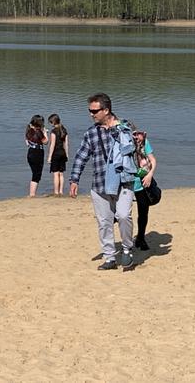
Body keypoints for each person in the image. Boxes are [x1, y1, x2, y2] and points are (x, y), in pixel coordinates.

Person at [69, 93, 137, 270]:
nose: (91, 114)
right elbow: (81, 156)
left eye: (94, 111)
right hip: (99, 184)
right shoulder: (91, 133)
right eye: (89, 111)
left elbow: (137, 147)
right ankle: (109, 257)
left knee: (123, 215)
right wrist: (74, 179)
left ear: (106, 110)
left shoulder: (125, 126)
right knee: (104, 221)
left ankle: (127, 249)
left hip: (124, 181)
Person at [130, 125, 157, 251]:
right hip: (127, 182)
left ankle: (141, 238)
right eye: (134, 134)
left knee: (143, 212)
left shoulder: (145, 143)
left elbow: (153, 160)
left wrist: (150, 175)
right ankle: (128, 239)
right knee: (122, 213)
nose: (136, 137)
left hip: (141, 182)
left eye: (138, 134)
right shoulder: (125, 144)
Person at [25, 115, 48, 197]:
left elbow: (27, 143)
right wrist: (45, 133)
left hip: (30, 152)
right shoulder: (38, 131)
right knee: (37, 174)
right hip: (37, 153)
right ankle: (32, 194)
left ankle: (32, 193)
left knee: (34, 173)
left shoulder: (29, 130)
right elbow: (45, 142)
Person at [47, 114, 69, 196]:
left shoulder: (54, 132)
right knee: (61, 174)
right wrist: (67, 154)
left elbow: (52, 145)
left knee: (56, 174)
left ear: (53, 122)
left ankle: (56, 192)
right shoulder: (64, 130)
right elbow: (66, 144)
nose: (50, 124)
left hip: (56, 154)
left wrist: (49, 157)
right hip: (63, 153)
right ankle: (61, 191)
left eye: (50, 122)